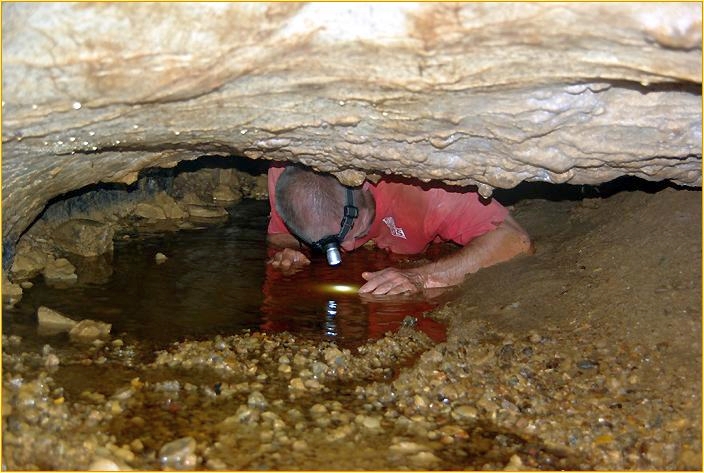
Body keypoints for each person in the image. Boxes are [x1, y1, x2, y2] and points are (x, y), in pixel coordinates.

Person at [267, 163, 533, 295]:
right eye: (329, 245)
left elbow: (514, 241)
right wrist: (294, 249)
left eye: (353, 233)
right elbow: (279, 235)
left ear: (362, 185)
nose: (347, 249)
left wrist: (421, 277)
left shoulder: (426, 190)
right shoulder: (288, 180)